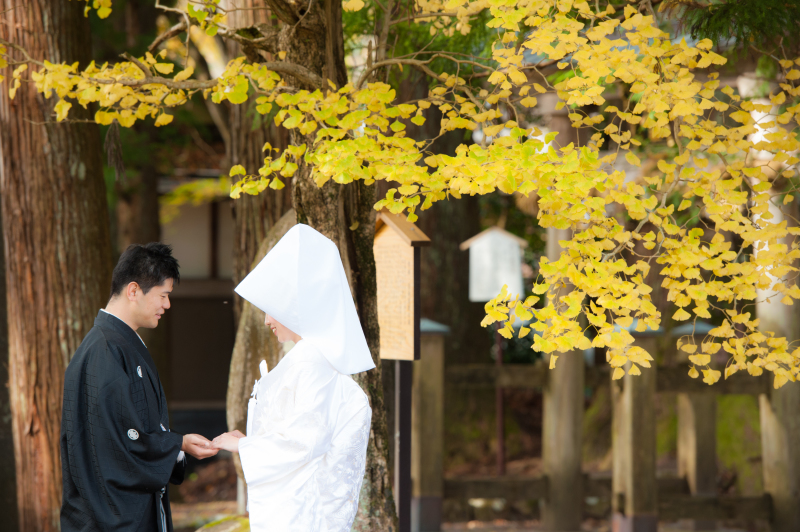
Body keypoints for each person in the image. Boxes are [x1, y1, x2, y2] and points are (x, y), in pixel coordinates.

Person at [211, 224, 375, 532]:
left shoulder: (314, 362)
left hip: (305, 516)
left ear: (295, 308)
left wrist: (247, 447)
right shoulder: (313, 359)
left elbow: (306, 440)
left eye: (272, 310)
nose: (266, 320)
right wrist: (249, 443)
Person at [60, 243, 218, 532]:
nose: (167, 305)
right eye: (163, 295)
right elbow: (120, 441)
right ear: (133, 291)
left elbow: (132, 431)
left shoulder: (115, 345)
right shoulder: (106, 351)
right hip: (110, 518)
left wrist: (177, 445)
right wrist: (177, 444)